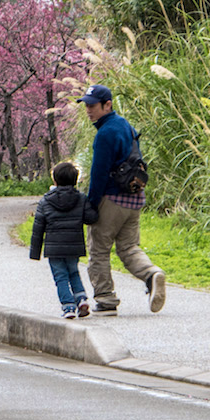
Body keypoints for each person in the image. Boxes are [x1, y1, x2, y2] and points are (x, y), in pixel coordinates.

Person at [81, 83, 165, 312]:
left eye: (93, 106)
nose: (88, 110)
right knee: (128, 247)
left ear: (107, 105)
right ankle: (152, 274)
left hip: (112, 199)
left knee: (99, 250)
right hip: (135, 196)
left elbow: (98, 173)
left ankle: (106, 300)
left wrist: (92, 203)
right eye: (86, 106)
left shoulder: (105, 133)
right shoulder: (125, 125)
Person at [29, 160, 96, 318]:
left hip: (54, 248)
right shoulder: (80, 198)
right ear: (75, 180)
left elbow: (38, 227)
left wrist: (35, 252)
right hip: (74, 246)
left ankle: (68, 307)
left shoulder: (45, 200)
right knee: (73, 272)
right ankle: (81, 299)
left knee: (60, 277)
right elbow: (91, 218)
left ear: (55, 180)